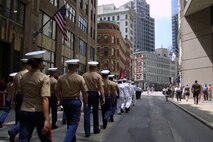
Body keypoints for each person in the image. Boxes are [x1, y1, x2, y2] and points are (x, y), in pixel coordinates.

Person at [18, 50, 52, 142]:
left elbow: (22, 93)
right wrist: (47, 119)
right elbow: (44, 98)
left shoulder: (23, 77)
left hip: (24, 110)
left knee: (23, 138)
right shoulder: (44, 78)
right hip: (38, 112)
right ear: (39, 63)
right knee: (45, 138)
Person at [56, 59, 88, 142]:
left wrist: (59, 100)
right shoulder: (80, 78)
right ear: (76, 67)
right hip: (75, 101)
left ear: (68, 67)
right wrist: (86, 103)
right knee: (74, 123)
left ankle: (72, 140)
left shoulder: (61, 78)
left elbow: (57, 90)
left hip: (65, 101)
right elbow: (84, 92)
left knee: (69, 122)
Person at [8, 59, 30, 141]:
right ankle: (17, 132)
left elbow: (14, 89)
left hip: (18, 96)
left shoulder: (17, 75)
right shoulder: (29, 74)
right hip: (26, 97)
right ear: (28, 65)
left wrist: (12, 100)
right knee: (26, 117)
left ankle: (15, 130)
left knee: (18, 116)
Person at [82, 61, 104, 137]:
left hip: (86, 94)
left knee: (87, 113)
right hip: (95, 94)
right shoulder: (98, 76)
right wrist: (103, 97)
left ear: (89, 67)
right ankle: (96, 129)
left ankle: (87, 132)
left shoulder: (84, 75)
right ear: (95, 67)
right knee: (95, 112)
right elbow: (101, 88)